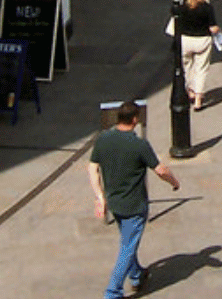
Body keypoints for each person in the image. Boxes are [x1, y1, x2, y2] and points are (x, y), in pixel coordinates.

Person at [88, 100, 180, 299]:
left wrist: (100, 197)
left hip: (114, 203)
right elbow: (160, 170)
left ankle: (137, 275)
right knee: (127, 248)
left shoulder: (103, 139)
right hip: (134, 205)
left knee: (128, 242)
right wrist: (174, 182)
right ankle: (113, 292)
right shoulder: (139, 145)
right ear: (135, 120)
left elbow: (92, 167)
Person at [174, 0, 218, 109]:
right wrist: (217, 30)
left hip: (186, 39)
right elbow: (213, 27)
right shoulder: (207, 7)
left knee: (186, 67)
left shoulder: (184, 5)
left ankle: (190, 91)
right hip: (202, 40)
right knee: (201, 69)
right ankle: (198, 99)